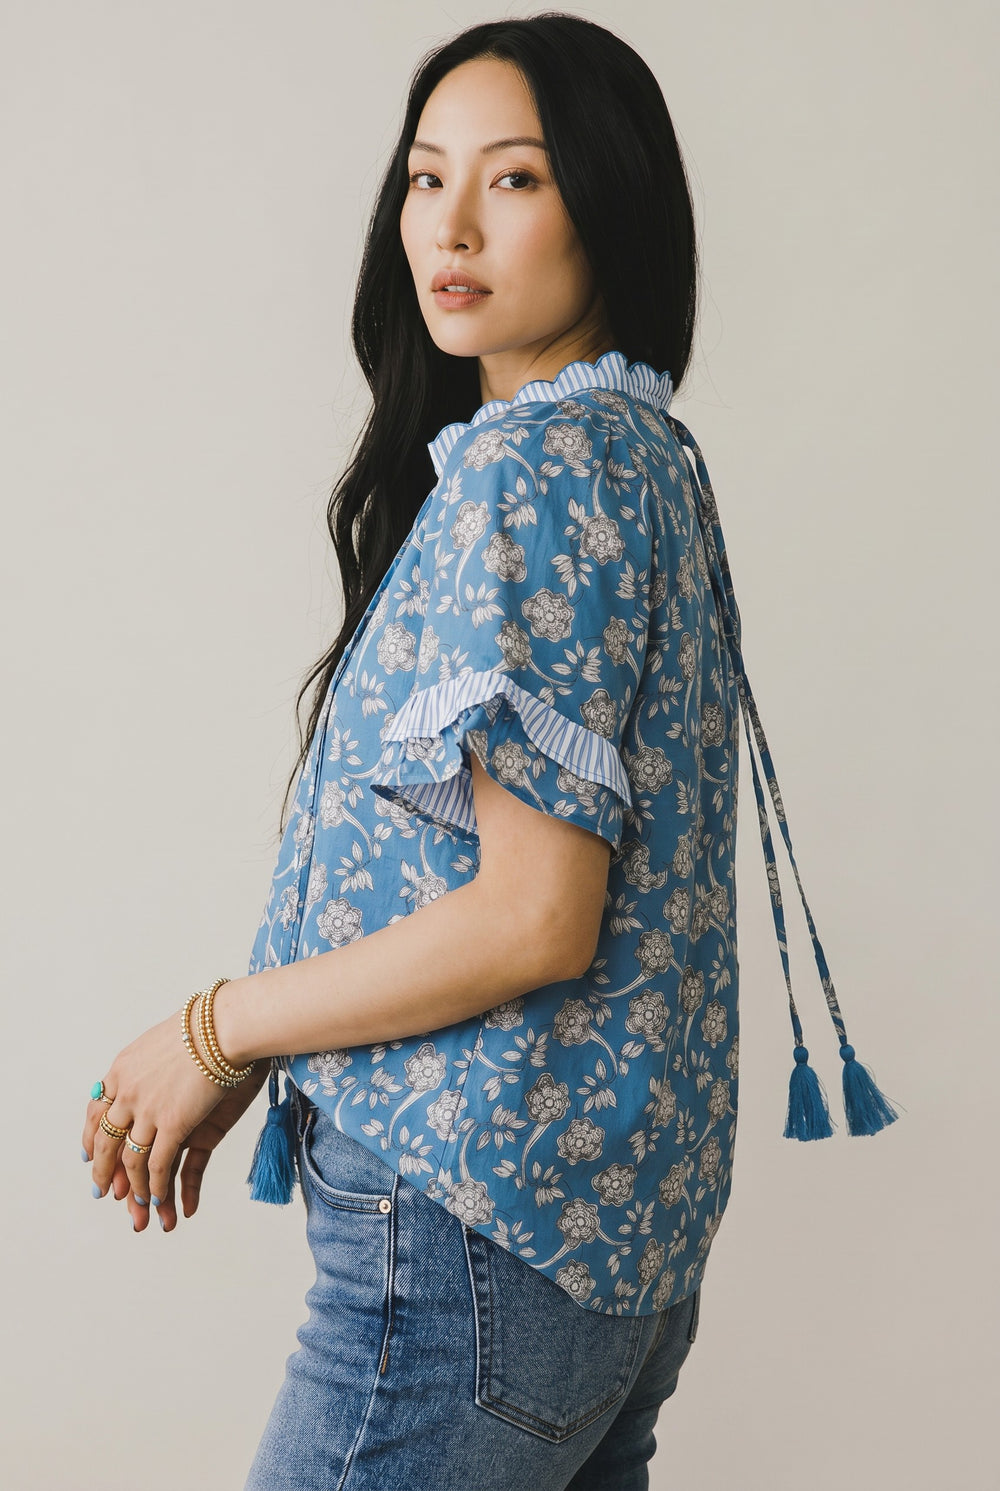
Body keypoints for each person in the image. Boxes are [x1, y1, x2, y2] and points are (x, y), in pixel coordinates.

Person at [82, 13, 897, 1490]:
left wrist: (218, 1028)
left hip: (470, 1239)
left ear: (610, 199)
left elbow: (536, 915)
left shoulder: (535, 470)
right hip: (600, 1265)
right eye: (423, 176)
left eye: (513, 180)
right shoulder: (644, 456)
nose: (448, 224)